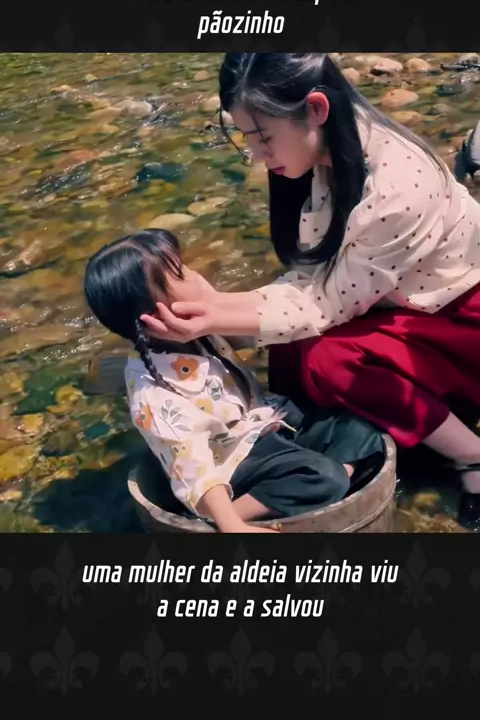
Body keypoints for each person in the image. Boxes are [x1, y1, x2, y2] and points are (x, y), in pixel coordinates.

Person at [140, 53, 480, 529]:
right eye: (247, 138)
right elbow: (312, 280)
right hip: (399, 299)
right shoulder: (327, 151)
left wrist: (214, 316)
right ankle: (343, 445)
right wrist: (214, 304)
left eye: (262, 137)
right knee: (289, 347)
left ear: (316, 109)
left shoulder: (398, 187)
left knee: (326, 358)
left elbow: (324, 304)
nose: (256, 154)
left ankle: (469, 454)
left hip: (459, 316)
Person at [83, 228, 385, 534]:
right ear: (155, 318)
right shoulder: (155, 393)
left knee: (359, 430)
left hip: (262, 428)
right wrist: (229, 524)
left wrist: (219, 309)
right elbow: (194, 466)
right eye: (182, 274)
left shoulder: (193, 331)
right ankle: (226, 520)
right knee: (322, 476)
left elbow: (267, 323)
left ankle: (320, 485)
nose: (196, 275)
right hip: (229, 467)